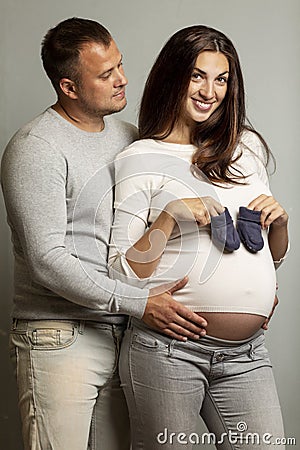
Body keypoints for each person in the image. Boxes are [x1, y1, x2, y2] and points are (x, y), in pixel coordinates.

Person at [0, 18, 208, 450]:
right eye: (106, 74)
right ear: (69, 87)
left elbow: (159, 225)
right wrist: (138, 303)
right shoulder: (36, 148)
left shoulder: (129, 137)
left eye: (120, 65)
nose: (123, 80)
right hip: (59, 336)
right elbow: (47, 260)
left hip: (125, 332)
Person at [109, 25, 289, 449]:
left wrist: (279, 225)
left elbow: (272, 257)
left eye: (221, 78)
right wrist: (170, 217)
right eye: (197, 75)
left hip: (247, 356)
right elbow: (121, 274)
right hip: (167, 352)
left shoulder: (245, 149)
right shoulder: (140, 157)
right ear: (173, 76)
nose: (210, 91)